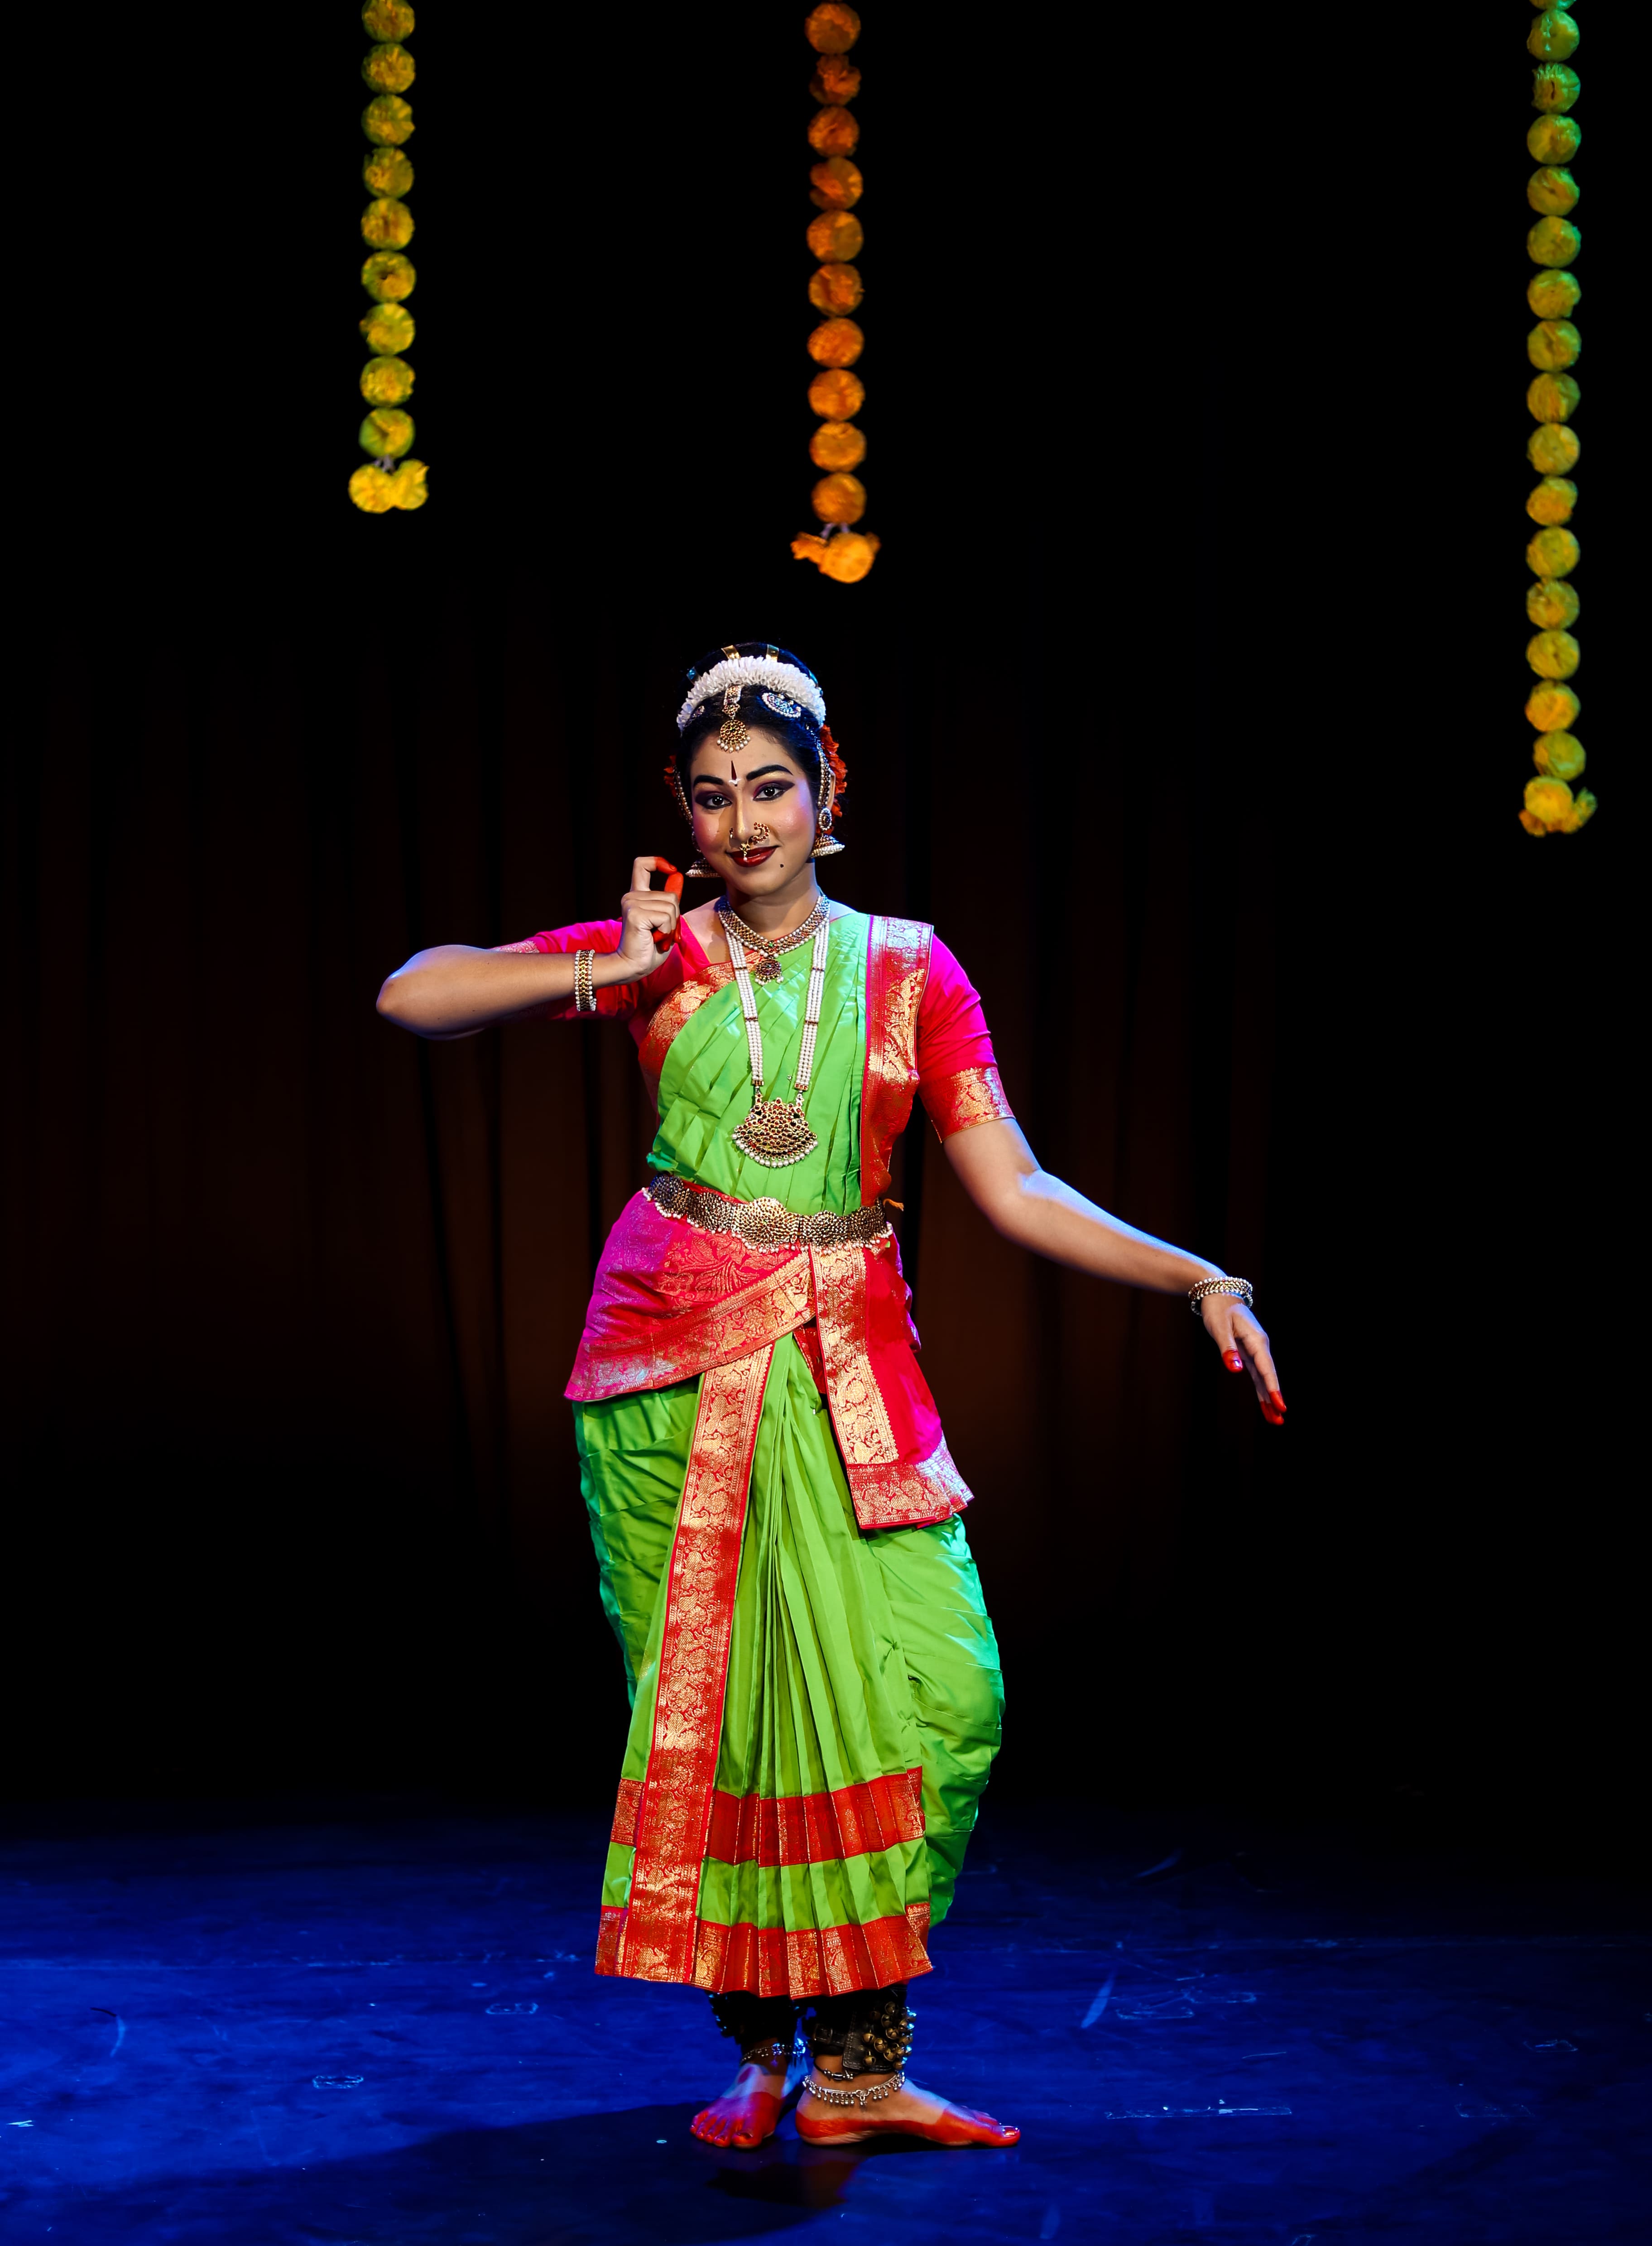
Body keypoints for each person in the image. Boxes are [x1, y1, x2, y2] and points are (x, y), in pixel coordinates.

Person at [377, 641, 1284, 2151]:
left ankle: (863, 2067)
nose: (744, 823)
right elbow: (414, 997)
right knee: (728, 1724)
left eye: (771, 789)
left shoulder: (912, 970)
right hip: (669, 1370)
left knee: (946, 1695)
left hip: (849, 1364)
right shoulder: (660, 955)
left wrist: (1197, 1278)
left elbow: (1014, 1185)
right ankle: (768, 2057)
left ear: (828, 792)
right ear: (683, 809)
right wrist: (613, 963)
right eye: (713, 795)